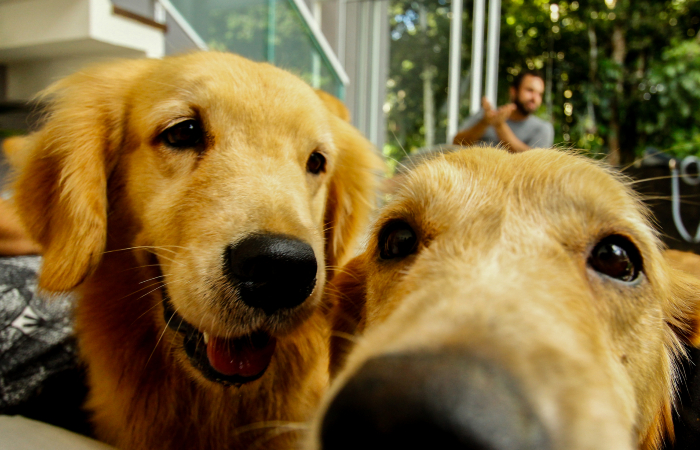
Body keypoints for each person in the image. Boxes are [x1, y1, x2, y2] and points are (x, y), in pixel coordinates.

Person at [452, 70, 554, 152]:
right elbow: (456, 143)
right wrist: (484, 122)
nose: (535, 98)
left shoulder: (543, 128)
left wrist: (499, 125)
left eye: (540, 94)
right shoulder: (486, 116)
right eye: (530, 90)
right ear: (513, 91)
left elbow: (534, 161)